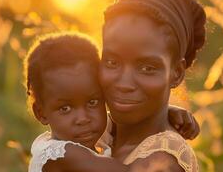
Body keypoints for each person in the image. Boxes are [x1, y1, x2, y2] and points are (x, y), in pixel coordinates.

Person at [25, 32, 199, 172]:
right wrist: (165, 154)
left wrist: (166, 112)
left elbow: (125, 122)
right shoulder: (61, 155)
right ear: (40, 113)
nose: (83, 118)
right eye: (65, 108)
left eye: (92, 102)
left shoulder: (90, 131)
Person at [99, 0, 206, 171]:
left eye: (147, 68)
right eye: (112, 62)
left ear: (176, 73)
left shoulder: (162, 162)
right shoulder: (103, 133)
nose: (124, 83)